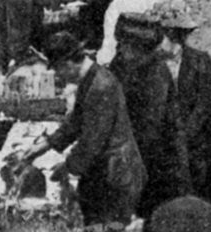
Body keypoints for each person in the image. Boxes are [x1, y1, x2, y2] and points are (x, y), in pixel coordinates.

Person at [24, 32, 145, 227]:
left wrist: (67, 167)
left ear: (68, 63)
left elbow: (92, 142)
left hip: (116, 176)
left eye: (57, 69)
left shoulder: (100, 86)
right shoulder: (90, 78)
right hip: (107, 171)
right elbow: (76, 122)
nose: (57, 75)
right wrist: (46, 144)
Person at [149, 0, 211, 228]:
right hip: (166, 156)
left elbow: (203, 108)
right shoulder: (150, 67)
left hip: (197, 151)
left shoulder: (202, 63)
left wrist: (180, 138)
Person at [109, 13, 192, 218]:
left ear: (139, 49)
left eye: (124, 45)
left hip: (159, 170)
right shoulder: (122, 63)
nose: (120, 49)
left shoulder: (154, 76)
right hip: (137, 163)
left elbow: (148, 132)